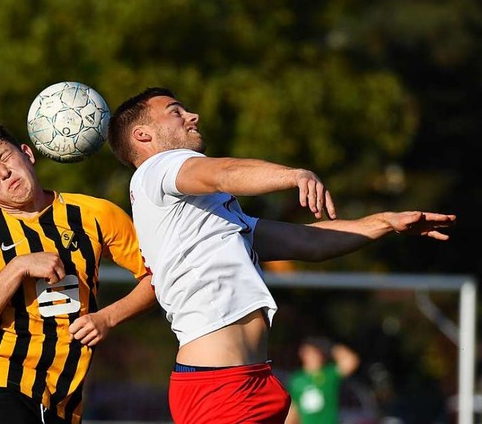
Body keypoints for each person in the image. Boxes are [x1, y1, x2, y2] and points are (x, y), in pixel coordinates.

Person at [107, 87, 456, 424]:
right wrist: (295, 175)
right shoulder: (157, 169)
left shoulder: (207, 216)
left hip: (252, 379)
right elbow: (222, 174)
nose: (192, 116)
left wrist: (384, 223)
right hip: (218, 388)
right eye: (175, 112)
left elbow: (309, 243)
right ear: (143, 135)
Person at [0, 121, 157, 424]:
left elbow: (160, 275)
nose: (3, 173)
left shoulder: (96, 215)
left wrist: (107, 317)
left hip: (64, 402)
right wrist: (19, 267)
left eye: (5, 158)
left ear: (27, 153)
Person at [286, 337, 360, 424]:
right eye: (308, 353)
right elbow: (293, 410)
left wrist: (331, 348)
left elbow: (351, 361)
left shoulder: (329, 374)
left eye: (315, 353)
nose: (312, 357)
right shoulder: (296, 379)